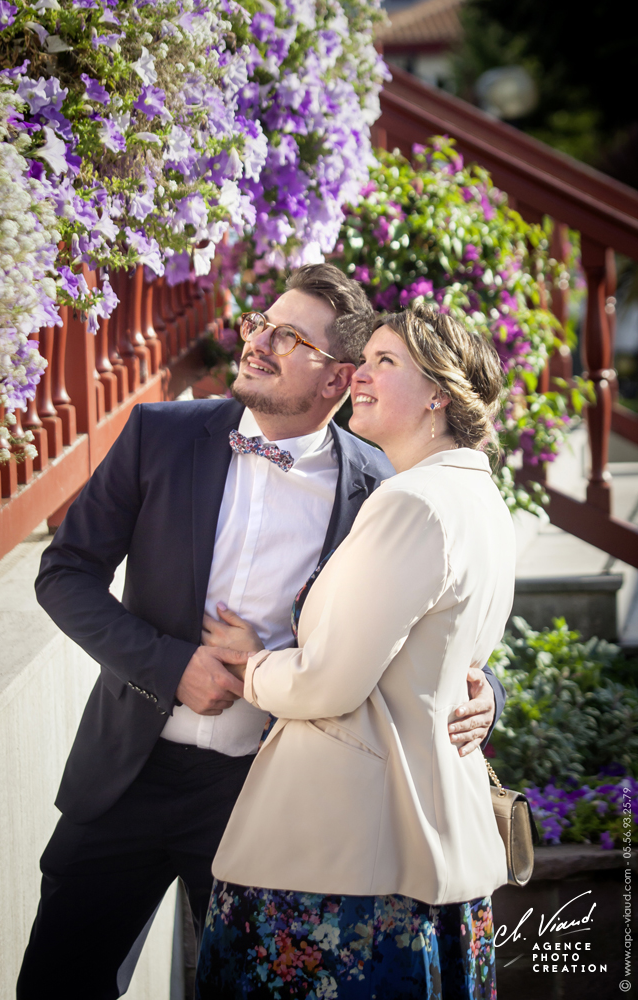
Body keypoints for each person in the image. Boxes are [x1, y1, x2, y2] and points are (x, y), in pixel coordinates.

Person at [17, 267, 505, 1000]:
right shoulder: (159, 433)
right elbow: (65, 573)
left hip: (262, 793)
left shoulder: (383, 483)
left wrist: (484, 691)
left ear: (337, 378)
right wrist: (169, 664)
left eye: (288, 336)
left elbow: (441, 615)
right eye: (258, 324)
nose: (257, 343)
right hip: (126, 775)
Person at [196, 304, 515, 1000]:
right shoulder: (479, 497)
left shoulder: (414, 503)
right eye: (362, 361)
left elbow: (327, 685)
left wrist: (252, 666)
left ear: (438, 391)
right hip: (427, 846)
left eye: (384, 363)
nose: (358, 376)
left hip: (344, 858)